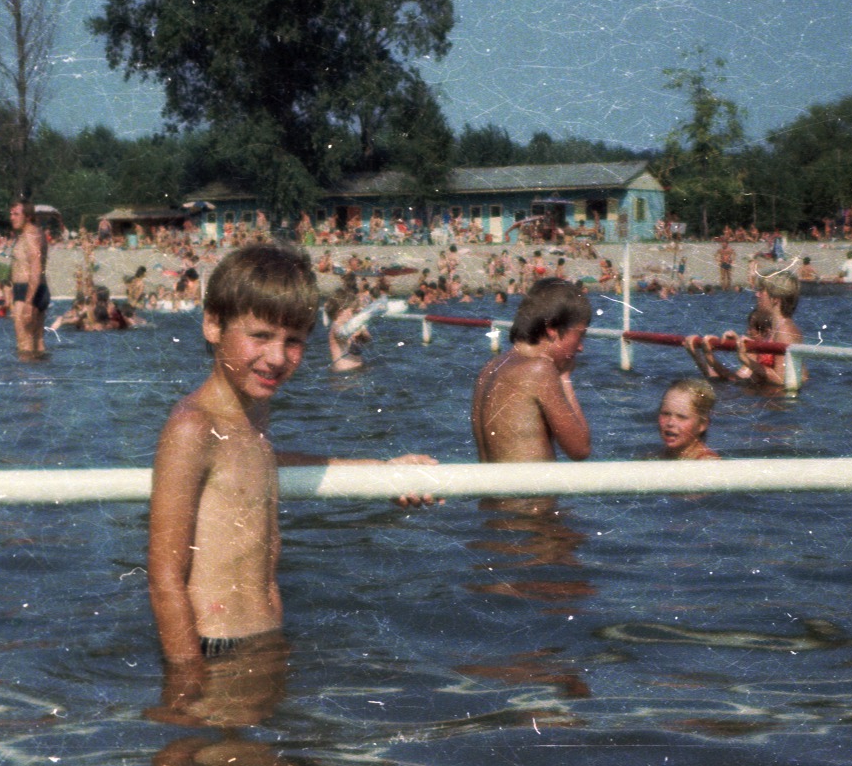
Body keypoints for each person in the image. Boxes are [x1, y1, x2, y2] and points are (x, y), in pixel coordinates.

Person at [147, 243, 435, 664]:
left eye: (294, 341)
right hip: (215, 648)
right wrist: (188, 685)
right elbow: (164, 580)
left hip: (263, 641)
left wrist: (380, 472)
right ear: (212, 325)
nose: (278, 357)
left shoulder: (250, 411)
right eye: (260, 336)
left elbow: (257, 464)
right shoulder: (192, 426)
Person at [470, 279, 591, 463]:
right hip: (531, 492)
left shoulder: (491, 367)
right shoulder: (539, 369)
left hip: (492, 491)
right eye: (580, 335)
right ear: (552, 329)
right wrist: (564, 377)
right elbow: (580, 449)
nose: (581, 347)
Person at [9, 200, 49, 359]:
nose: (11, 217)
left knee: (24, 345)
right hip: (37, 289)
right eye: (11, 213)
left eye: (16, 214)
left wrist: (28, 301)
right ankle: (42, 380)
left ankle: (26, 382)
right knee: (37, 343)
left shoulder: (30, 235)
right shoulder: (34, 233)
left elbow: (36, 267)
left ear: (28, 216)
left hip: (28, 291)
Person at [654, 378, 720, 460]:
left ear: (702, 424)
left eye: (681, 417)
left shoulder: (707, 461)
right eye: (665, 414)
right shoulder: (658, 455)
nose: (670, 423)